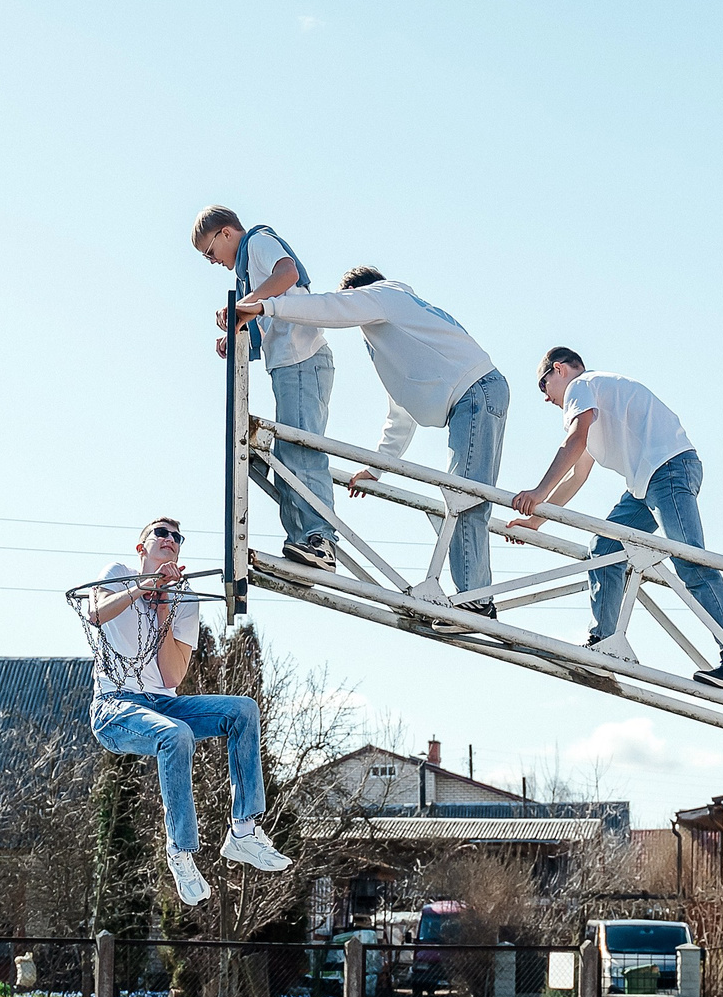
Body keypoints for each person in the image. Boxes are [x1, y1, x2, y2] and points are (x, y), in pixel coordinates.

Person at [229, 267, 507, 613]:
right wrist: (376, 469)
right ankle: (475, 597)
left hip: (476, 392)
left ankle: (476, 601)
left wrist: (265, 307)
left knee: (466, 498)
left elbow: (331, 308)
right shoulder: (394, 330)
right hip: (473, 394)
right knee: (461, 495)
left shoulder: (384, 296)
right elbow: (401, 410)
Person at [83, 516, 293, 908]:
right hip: (115, 706)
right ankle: (180, 851)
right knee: (175, 734)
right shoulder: (118, 573)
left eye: (177, 537)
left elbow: (171, 673)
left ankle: (243, 831)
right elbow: (97, 613)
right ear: (141, 547)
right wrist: (145, 586)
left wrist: (163, 604)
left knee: (243, 711)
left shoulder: (184, 597)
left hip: (162, 702)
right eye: (161, 533)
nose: (170, 540)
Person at [509, 350, 723, 691]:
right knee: (605, 547)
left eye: (543, 384)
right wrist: (538, 519)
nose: (546, 396)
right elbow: (577, 475)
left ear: (558, 369)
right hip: (647, 483)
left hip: (668, 470)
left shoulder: (581, 386)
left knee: (690, 560)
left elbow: (574, 441)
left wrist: (537, 491)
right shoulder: (597, 397)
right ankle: (604, 643)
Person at [193, 207, 337, 571]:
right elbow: (263, 317)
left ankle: (320, 538)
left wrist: (245, 305)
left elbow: (287, 273)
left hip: (303, 357)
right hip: (288, 364)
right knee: (289, 453)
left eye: (210, 252)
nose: (212, 262)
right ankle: (301, 540)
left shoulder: (257, 242)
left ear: (226, 233)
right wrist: (235, 332)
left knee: (303, 448)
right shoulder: (247, 278)